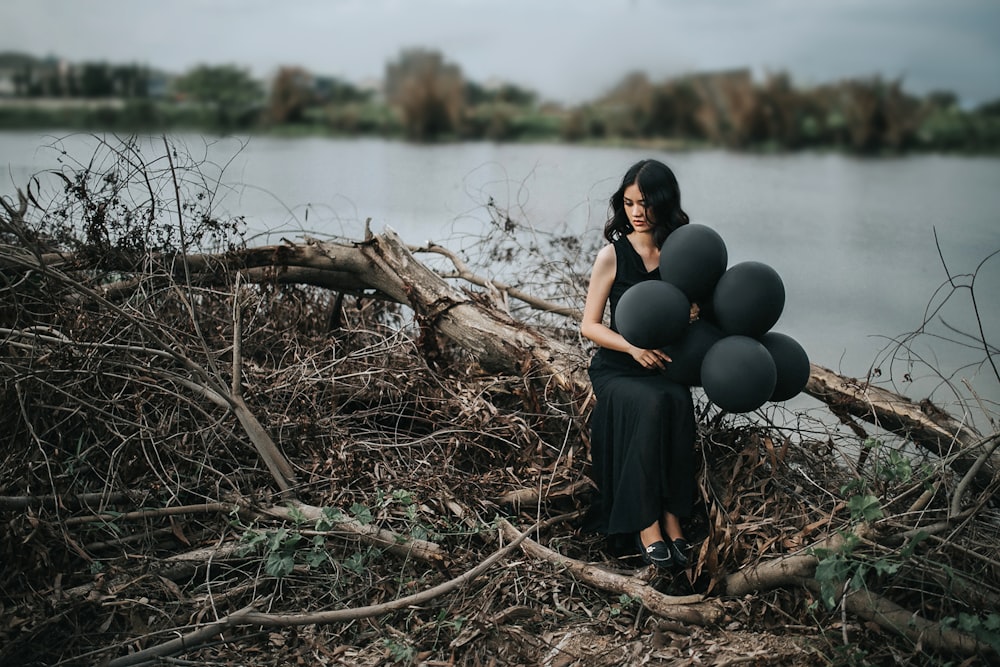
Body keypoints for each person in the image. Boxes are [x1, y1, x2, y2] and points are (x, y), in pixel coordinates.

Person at [580, 158, 697, 572]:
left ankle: (671, 516)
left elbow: (701, 311)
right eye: (628, 202)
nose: (636, 212)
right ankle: (646, 524)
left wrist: (696, 312)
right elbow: (589, 325)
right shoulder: (612, 255)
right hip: (618, 367)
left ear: (664, 203)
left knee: (677, 401)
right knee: (649, 405)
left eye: (645, 203)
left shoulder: (681, 255)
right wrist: (632, 348)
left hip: (662, 367)